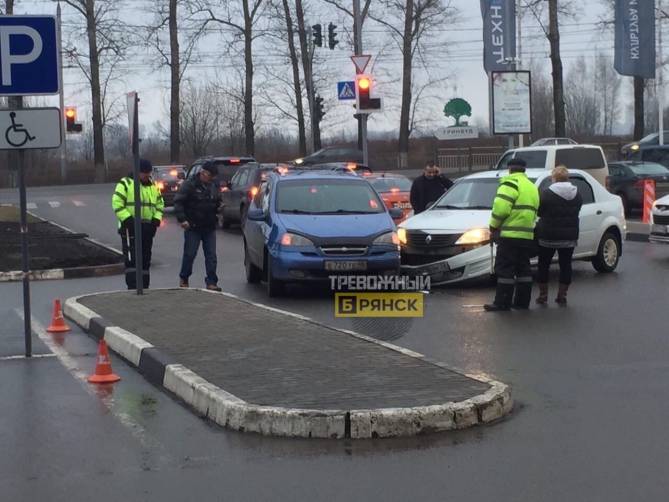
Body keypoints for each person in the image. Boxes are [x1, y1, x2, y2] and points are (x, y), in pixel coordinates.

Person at [484, 158, 540, 312]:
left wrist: (493, 226)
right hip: (526, 235)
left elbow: (500, 209)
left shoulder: (510, 183)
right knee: (523, 269)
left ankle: (502, 303)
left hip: (509, 235)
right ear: (524, 170)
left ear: (510, 169)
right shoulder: (531, 187)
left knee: (505, 269)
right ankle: (522, 302)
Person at [111, 159, 164, 290]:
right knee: (132, 260)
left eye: (148, 172)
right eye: (144, 172)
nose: (147, 175)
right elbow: (117, 203)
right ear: (137, 171)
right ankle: (133, 288)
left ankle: (144, 287)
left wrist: (156, 220)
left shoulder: (153, 186)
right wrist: (128, 220)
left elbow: (160, 204)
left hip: (147, 228)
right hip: (130, 228)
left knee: (145, 260)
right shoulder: (125, 183)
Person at [534, 165, 583, 305]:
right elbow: (578, 209)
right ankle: (562, 295)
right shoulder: (577, 193)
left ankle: (543, 295)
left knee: (543, 265)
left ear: (554, 178)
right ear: (567, 178)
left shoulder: (546, 194)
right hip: (569, 236)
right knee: (566, 265)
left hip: (547, 236)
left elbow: (539, 212)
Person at [174, 161, 222, 291]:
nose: (211, 179)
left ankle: (211, 281)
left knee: (211, 256)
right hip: (193, 226)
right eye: (210, 176)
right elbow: (178, 202)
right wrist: (182, 219)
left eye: (213, 177)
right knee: (190, 254)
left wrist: (220, 208)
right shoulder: (189, 184)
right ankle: (184, 278)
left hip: (209, 226)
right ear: (203, 173)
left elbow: (217, 201)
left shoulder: (214, 185)